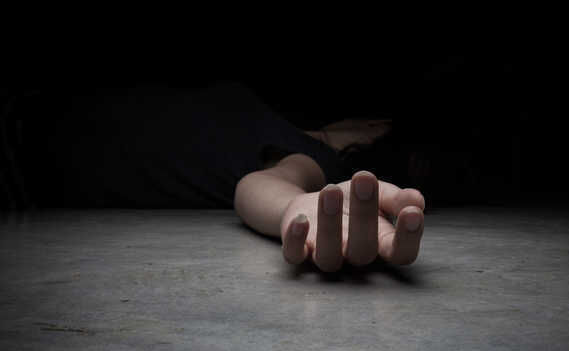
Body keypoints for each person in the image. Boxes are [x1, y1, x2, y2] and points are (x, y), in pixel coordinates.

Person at [1, 81, 425, 271]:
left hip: (23, 154)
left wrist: (295, 207)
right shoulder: (279, 121)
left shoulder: (314, 157)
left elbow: (262, 184)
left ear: (372, 133)